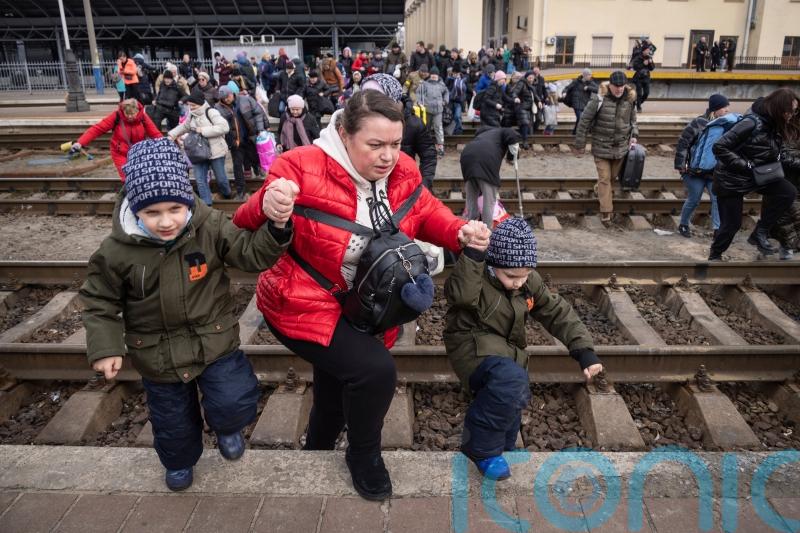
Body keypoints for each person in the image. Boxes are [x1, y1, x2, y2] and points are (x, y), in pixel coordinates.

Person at [231, 90, 489, 501]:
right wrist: (270, 203)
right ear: (344, 135)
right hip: (300, 299)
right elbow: (242, 221)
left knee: (335, 386)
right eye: (375, 145)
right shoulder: (299, 166)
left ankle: (315, 450)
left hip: (365, 304)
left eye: (394, 144)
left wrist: (458, 230)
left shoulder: (402, 169)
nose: (388, 156)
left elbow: (424, 210)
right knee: (374, 372)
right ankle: (364, 455)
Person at [80, 137, 293, 492]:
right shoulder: (116, 251)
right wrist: (105, 347)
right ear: (135, 209)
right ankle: (179, 462)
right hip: (157, 353)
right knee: (172, 419)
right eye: (152, 213)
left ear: (187, 199)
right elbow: (100, 300)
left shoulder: (208, 225)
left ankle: (227, 428)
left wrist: (276, 229)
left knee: (233, 398)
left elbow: (248, 253)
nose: (166, 222)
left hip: (214, 338)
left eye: (174, 209)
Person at [444, 217, 601, 480]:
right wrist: (472, 255)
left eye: (525, 275)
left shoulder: (527, 281)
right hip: (470, 343)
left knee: (513, 387)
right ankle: (481, 450)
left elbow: (555, 310)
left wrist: (583, 350)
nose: (519, 282)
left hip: (504, 348)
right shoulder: (477, 275)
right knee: (510, 380)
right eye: (512, 276)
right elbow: (459, 294)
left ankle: (500, 443)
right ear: (494, 265)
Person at [709, 89, 800, 260]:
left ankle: (760, 232)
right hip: (732, 179)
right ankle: (715, 255)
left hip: (757, 175)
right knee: (732, 225)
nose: (792, 115)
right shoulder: (752, 122)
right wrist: (745, 165)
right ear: (779, 108)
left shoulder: (775, 125)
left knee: (787, 191)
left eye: (795, 111)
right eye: (790, 111)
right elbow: (720, 147)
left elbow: (781, 155)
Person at [574, 71, 639, 223]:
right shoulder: (598, 100)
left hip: (621, 148)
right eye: (616, 86)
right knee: (604, 178)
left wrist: (634, 135)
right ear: (609, 85)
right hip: (601, 147)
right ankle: (606, 212)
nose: (619, 89)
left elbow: (633, 121)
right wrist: (580, 145)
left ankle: (599, 190)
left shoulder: (630, 100)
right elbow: (583, 122)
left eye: (621, 86)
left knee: (611, 178)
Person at [674, 94, 736, 239]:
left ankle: (717, 229)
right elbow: (684, 143)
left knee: (716, 199)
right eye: (724, 107)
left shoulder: (726, 125)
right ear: (715, 109)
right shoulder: (699, 123)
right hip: (693, 171)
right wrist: (681, 165)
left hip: (714, 171)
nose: (727, 110)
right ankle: (683, 224)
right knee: (694, 198)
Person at [362, 73, 437, 190]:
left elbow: (429, 155)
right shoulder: (363, 121)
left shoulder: (413, 123)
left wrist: (424, 185)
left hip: (403, 186)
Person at [72, 98, 162, 180]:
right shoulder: (117, 116)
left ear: (137, 111)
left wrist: (165, 144)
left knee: (140, 176)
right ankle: (128, 194)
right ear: (123, 111)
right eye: (127, 114)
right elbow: (98, 129)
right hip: (120, 153)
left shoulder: (143, 117)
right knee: (127, 177)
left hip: (139, 153)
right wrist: (80, 142)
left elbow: (155, 133)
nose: (130, 117)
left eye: (133, 114)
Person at [168, 93, 232, 205]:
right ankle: (207, 204)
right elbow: (185, 126)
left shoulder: (211, 112)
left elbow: (224, 127)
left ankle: (227, 193)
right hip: (198, 152)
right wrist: (172, 134)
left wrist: (203, 130)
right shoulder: (192, 114)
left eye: (193, 105)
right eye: (189, 105)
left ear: (200, 104)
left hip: (215, 151)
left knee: (221, 179)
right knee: (200, 180)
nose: (191, 108)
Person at [461, 126, 521, 224]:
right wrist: (511, 158)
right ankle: (487, 233)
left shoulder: (484, 135)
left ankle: (469, 229)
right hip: (486, 160)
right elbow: (513, 136)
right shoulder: (504, 130)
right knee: (489, 202)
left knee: (471, 200)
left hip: (467, 156)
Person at [416, 65, 449, 157]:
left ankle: (440, 147)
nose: (434, 76)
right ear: (430, 75)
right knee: (426, 128)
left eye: (436, 75)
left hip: (438, 110)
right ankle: (426, 147)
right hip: (427, 110)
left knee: (438, 128)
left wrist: (445, 101)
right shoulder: (425, 84)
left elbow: (446, 92)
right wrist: (419, 102)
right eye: (433, 74)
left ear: (438, 75)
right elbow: (419, 93)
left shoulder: (441, 84)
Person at [562, 68, 599, 135]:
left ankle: (575, 133)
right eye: (589, 75)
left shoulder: (590, 82)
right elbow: (568, 87)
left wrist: (588, 88)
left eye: (590, 75)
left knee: (581, 119)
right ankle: (577, 133)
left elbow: (597, 89)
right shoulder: (576, 81)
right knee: (580, 118)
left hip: (585, 103)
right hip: (576, 103)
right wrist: (564, 92)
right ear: (585, 75)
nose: (590, 76)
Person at [508, 71, 533, 147]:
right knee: (524, 121)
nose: (531, 79)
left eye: (533, 78)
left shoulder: (527, 85)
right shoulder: (519, 84)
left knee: (526, 123)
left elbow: (534, 94)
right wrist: (515, 98)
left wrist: (539, 101)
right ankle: (524, 141)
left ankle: (523, 138)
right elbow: (514, 92)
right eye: (530, 77)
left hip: (524, 107)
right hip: (517, 106)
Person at [631, 47, 654, 112]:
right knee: (639, 94)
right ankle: (639, 107)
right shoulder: (638, 57)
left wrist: (650, 63)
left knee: (646, 93)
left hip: (646, 78)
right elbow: (635, 67)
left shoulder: (649, 57)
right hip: (638, 78)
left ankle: (637, 103)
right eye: (647, 50)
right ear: (643, 51)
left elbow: (652, 68)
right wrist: (643, 64)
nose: (648, 51)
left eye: (648, 50)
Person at [447, 65, 468, 135]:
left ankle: (458, 131)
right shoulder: (449, 79)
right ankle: (453, 131)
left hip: (458, 101)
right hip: (450, 101)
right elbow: (446, 88)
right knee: (452, 116)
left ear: (459, 73)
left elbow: (465, 90)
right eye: (454, 73)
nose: (455, 75)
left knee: (457, 116)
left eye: (457, 73)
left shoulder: (462, 80)